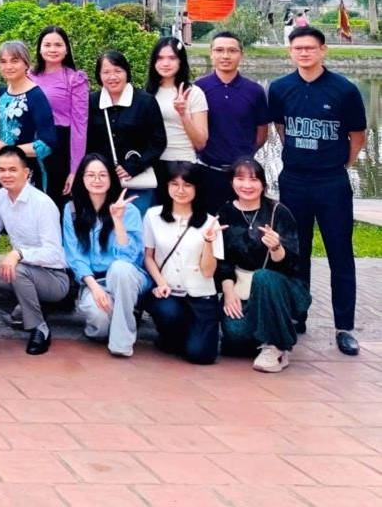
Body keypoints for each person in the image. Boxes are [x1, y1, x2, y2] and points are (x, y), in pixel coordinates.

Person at [268, 25, 368, 356]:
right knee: (297, 251)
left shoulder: (345, 90)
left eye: (310, 48)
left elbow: (358, 137)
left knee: (340, 253)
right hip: (294, 180)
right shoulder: (280, 88)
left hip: (331, 182)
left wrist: (340, 164)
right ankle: (298, 314)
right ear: (290, 52)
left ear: (323, 50)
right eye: (298, 48)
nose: (304, 53)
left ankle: (344, 327)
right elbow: (281, 129)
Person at [216, 157, 311, 372]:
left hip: (281, 285)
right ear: (232, 182)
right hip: (242, 287)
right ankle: (269, 332)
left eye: (254, 179)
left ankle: (277, 347)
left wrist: (276, 247)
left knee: (263, 276)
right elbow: (223, 261)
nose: (247, 185)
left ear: (263, 184)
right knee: (235, 334)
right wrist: (228, 292)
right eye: (240, 179)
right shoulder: (225, 213)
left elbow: (293, 265)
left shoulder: (279, 212)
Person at [0, 146, 70, 355]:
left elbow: (54, 254)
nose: (6, 175)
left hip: (54, 277)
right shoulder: (1, 197)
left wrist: (19, 254)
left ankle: (39, 328)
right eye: (1, 169)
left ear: (26, 173)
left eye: (12, 170)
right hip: (21, 271)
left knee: (18, 270)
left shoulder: (42, 204)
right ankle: (27, 306)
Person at [62, 154, 146, 357]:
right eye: (90, 175)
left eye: (102, 175)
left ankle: (121, 344)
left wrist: (118, 220)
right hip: (95, 281)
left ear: (111, 178)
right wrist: (95, 288)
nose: (97, 180)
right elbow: (74, 256)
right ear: (82, 178)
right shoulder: (72, 210)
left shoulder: (129, 211)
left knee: (120, 268)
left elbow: (130, 258)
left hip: (126, 278)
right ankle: (123, 312)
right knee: (99, 325)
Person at [143, 163, 224, 365]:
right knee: (168, 313)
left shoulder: (210, 223)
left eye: (187, 185)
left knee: (201, 356)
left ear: (197, 188)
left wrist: (208, 242)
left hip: (201, 295)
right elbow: (148, 257)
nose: (180, 190)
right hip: (169, 292)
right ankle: (171, 338)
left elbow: (208, 272)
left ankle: (192, 336)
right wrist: (161, 283)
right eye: (174, 184)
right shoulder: (153, 216)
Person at [194, 31, 271, 213]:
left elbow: (262, 132)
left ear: (241, 55)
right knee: (208, 224)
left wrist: (245, 155)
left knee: (243, 224)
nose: (225, 56)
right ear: (211, 53)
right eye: (219, 50)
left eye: (232, 51)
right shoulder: (199, 88)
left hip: (242, 176)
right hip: (207, 171)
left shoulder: (254, 91)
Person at [86, 50, 166, 216]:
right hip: (102, 181)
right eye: (106, 72)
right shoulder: (91, 102)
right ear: (99, 75)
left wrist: (135, 165)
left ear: (127, 72)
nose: (112, 77)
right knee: (106, 225)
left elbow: (158, 141)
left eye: (118, 71)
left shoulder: (145, 101)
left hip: (138, 182)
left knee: (135, 224)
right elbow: (87, 142)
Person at [0, 40, 58, 198]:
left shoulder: (36, 96)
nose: (8, 66)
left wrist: (10, 149)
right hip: (0, 172)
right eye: (3, 62)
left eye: (15, 61)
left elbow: (47, 143)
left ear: (26, 64)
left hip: (27, 173)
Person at [31, 27, 89, 205]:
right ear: (39, 48)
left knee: (55, 204)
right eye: (47, 45)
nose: (52, 49)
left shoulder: (75, 79)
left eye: (58, 45)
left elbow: (80, 126)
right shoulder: (28, 76)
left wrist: (75, 169)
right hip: (29, 146)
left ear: (66, 50)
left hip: (59, 148)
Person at [145, 37, 208, 181]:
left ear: (181, 61)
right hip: (151, 164)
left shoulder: (193, 93)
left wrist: (183, 114)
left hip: (182, 164)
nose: (165, 63)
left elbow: (200, 143)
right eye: (160, 58)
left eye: (172, 58)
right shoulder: (148, 93)